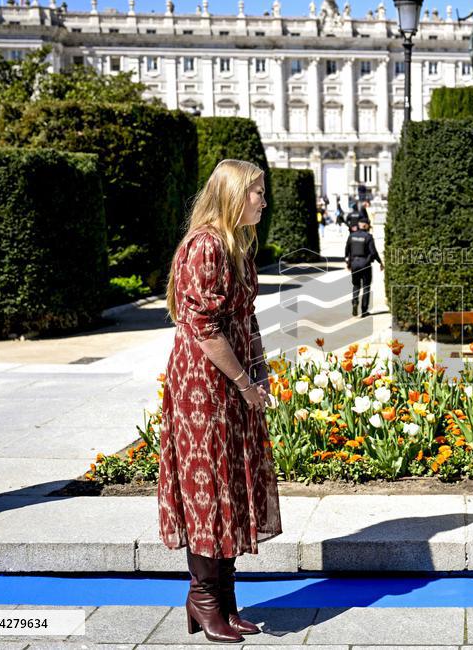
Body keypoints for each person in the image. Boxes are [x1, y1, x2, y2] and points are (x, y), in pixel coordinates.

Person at [159, 159, 283, 643]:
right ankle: (203, 599)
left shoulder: (237, 247)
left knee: (230, 482)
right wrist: (244, 383)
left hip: (230, 381)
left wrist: (260, 371)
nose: (263, 200)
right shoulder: (206, 246)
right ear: (233, 195)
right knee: (207, 485)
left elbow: (246, 319)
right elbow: (205, 328)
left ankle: (224, 600)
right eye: (257, 192)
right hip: (203, 385)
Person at [344, 216, 383, 317]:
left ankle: (354, 301)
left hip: (354, 264)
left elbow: (347, 250)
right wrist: (380, 262)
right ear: (365, 225)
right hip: (365, 264)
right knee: (366, 287)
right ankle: (364, 310)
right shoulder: (368, 236)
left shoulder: (351, 236)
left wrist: (348, 263)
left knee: (356, 285)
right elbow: (373, 252)